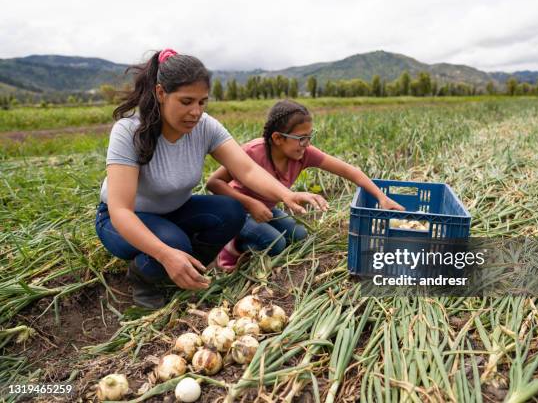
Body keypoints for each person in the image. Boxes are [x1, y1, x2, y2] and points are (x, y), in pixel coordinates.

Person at [95, 50, 327, 309]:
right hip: (121, 221)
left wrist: (286, 195)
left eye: (202, 102)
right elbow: (121, 210)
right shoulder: (129, 131)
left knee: (231, 210)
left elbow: (247, 170)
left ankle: (189, 269)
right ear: (161, 93)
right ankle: (144, 278)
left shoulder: (205, 126)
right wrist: (165, 254)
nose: (195, 111)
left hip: (174, 211)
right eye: (186, 102)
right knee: (173, 244)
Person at [206, 99, 405, 271]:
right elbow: (213, 183)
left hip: (266, 210)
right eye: (301, 138)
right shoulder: (252, 152)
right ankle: (231, 248)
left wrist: (382, 198)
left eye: (309, 137)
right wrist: (250, 204)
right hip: (237, 213)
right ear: (277, 138)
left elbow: (349, 171)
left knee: (299, 236)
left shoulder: (303, 154)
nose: (307, 144)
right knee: (276, 244)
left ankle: (252, 241)